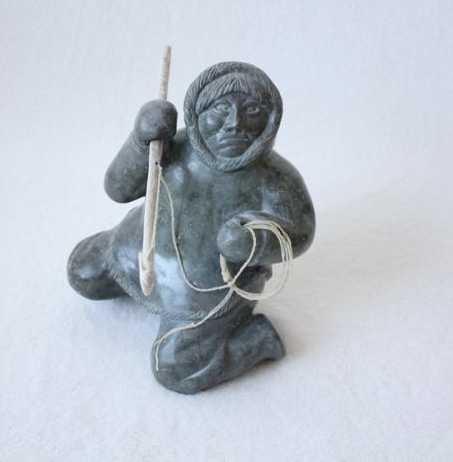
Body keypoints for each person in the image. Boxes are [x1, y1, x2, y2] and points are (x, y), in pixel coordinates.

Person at [68, 62, 316, 394]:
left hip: (204, 295)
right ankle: (145, 289)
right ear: (198, 113)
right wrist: (141, 140)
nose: (234, 124)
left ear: (270, 121)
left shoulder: (274, 176)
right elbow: (118, 189)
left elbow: (301, 231)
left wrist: (252, 241)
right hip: (135, 253)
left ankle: (257, 340)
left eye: (252, 111)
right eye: (220, 110)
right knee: (82, 271)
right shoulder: (173, 147)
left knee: (173, 369)